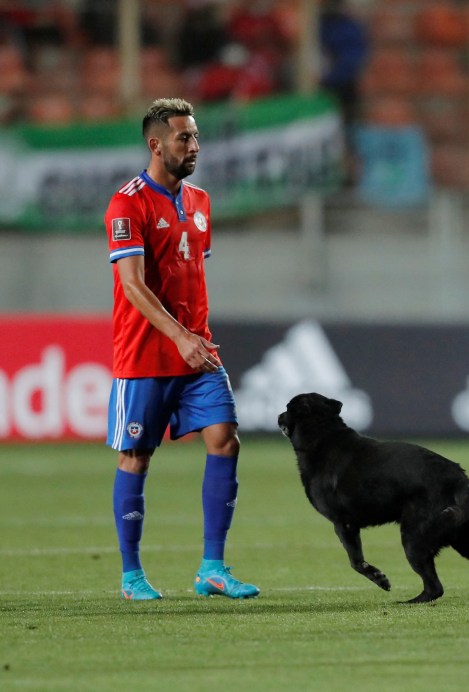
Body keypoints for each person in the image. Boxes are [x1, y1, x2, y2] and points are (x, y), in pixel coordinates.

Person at [104, 98, 259, 601]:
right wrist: (180, 336)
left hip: (198, 354)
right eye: (183, 138)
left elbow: (190, 272)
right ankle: (131, 577)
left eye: (195, 137)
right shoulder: (127, 204)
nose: (194, 146)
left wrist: (196, 337)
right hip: (146, 356)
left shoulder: (200, 202)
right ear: (155, 144)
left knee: (225, 439)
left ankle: (212, 567)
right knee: (136, 458)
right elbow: (132, 285)